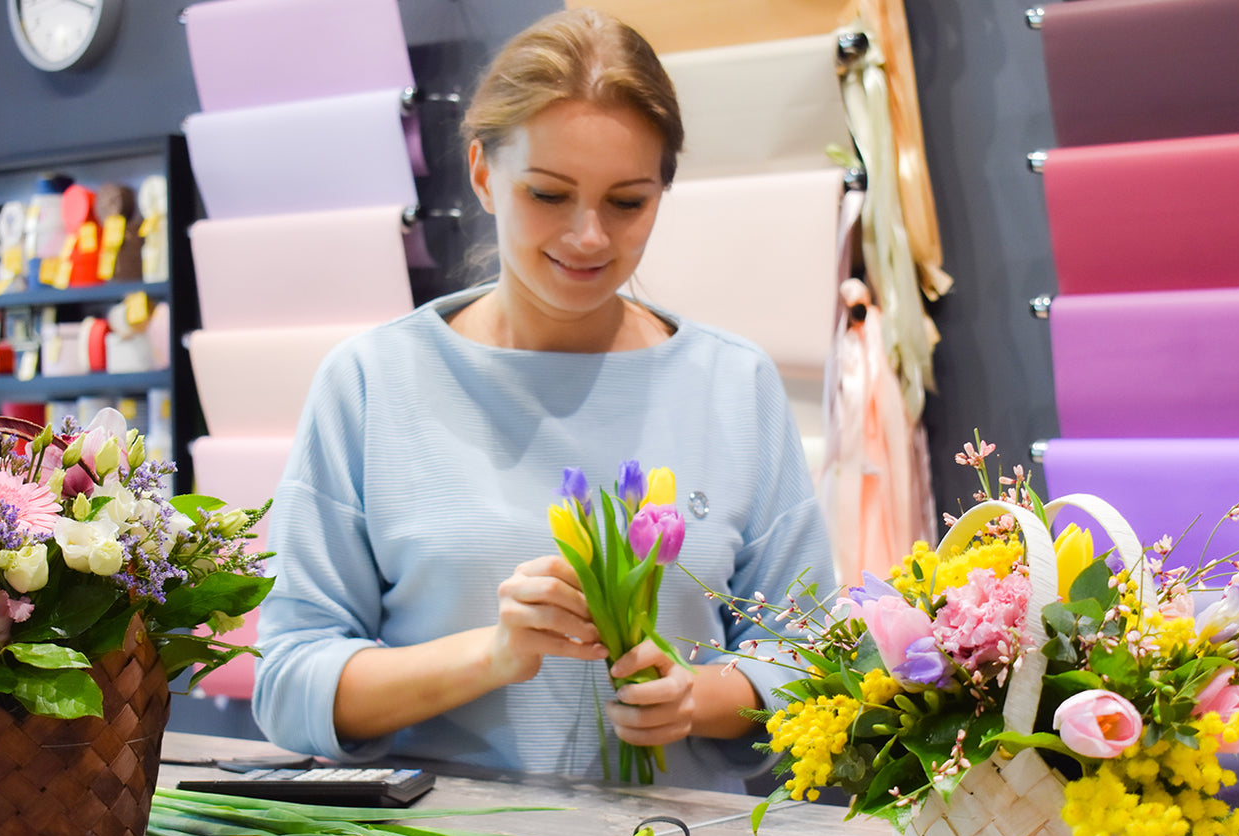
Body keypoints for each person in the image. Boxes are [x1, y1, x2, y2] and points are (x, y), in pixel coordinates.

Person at [251, 7, 835, 792]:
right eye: (550, 194)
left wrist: (697, 698)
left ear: (664, 190)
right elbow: (287, 685)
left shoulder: (733, 385)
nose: (589, 235)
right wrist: (494, 654)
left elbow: (809, 659)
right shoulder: (371, 382)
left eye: (626, 201)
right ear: (484, 174)